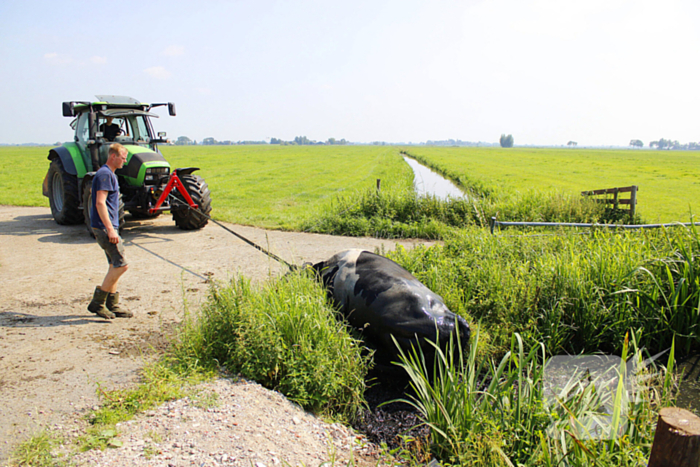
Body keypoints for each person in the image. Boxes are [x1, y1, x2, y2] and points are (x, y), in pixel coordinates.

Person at [87, 143, 132, 319]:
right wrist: (110, 230)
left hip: (107, 227)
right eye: (123, 157)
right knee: (122, 265)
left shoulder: (108, 174)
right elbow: (100, 202)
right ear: (113, 156)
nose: (125, 160)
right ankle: (97, 304)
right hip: (106, 228)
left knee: (114, 264)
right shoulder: (105, 174)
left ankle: (112, 305)